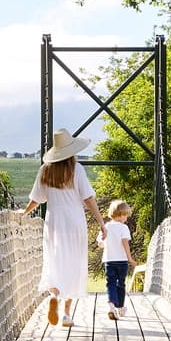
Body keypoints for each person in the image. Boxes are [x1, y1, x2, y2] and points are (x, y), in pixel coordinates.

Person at [18, 128, 100, 326]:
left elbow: (36, 199)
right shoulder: (76, 169)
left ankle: (54, 296)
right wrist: (101, 223)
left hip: (54, 221)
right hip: (75, 222)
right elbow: (88, 198)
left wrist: (24, 213)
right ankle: (66, 314)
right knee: (73, 263)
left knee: (54, 261)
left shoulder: (45, 169)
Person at [100, 200, 134, 319]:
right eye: (126, 215)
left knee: (111, 283)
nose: (126, 218)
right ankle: (120, 307)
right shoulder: (123, 228)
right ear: (120, 214)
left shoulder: (106, 226)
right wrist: (130, 258)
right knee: (121, 283)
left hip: (109, 261)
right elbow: (125, 243)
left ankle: (111, 305)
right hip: (121, 261)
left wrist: (107, 243)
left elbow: (101, 243)